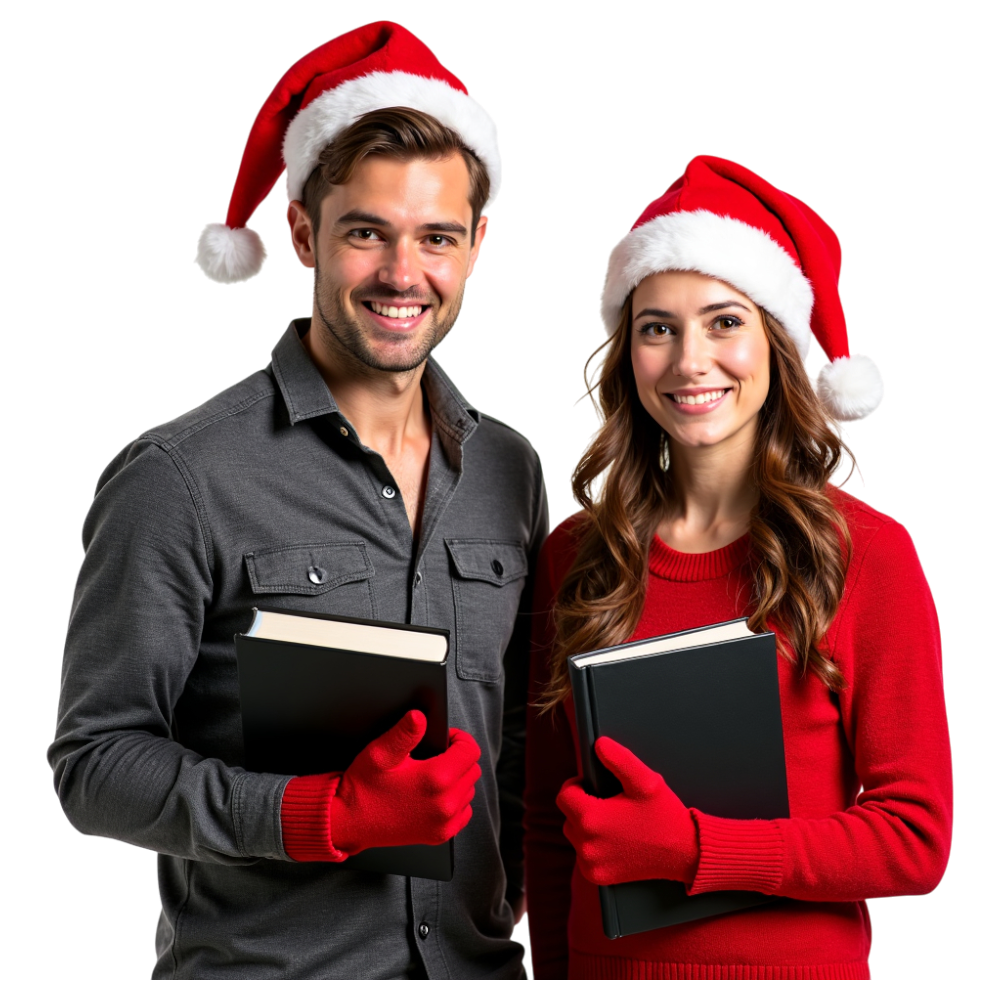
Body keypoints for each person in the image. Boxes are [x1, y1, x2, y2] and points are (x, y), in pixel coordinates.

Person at [49, 22, 546, 980]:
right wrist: (320, 816)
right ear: (305, 234)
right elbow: (94, 764)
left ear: (477, 246)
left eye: (437, 237)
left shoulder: (510, 471)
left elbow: (515, 728)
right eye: (367, 232)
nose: (405, 275)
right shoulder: (178, 476)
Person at [523, 154, 952, 980]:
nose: (690, 362)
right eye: (658, 328)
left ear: (776, 345)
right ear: (627, 352)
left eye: (724, 322)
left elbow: (915, 839)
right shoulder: (575, 552)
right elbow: (548, 824)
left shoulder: (866, 552)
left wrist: (694, 849)